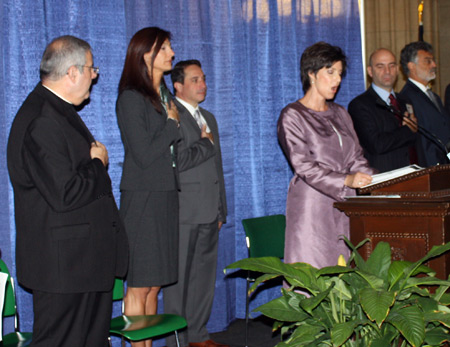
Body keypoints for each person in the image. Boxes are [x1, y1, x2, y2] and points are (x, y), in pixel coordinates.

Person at [7, 35, 128, 346]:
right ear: (73, 71)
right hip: (65, 268)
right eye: (92, 68)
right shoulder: (43, 119)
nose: (95, 75)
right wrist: (98, 164)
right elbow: (65, 193)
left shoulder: (57, 111)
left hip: (81, 263)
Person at [277, 42, 375, 271]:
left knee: (347, 275)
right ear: (311, 74)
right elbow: (304, 166)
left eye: (340, 73)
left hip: (347, 205)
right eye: (330, 72)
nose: (337, 80)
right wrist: (345, 180)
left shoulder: (341, 113)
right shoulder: (292, 115)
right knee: (315, 277)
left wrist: (385, 180)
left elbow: (356, 159)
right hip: (312, 207)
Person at [116, 27, 180, 347]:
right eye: (164, 47)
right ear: (145, 55)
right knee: (139, 286)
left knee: (155, 286)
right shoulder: (131, 98)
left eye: (170, 46)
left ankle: (147, 345)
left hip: (164, 197)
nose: (171, 52)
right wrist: (170, 124)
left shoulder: (163, 97)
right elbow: (142, 155)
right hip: (142, 200)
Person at [163, 60, 227, 347]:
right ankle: (176, 340)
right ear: (178, 85)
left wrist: (221, 208)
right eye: (195, 79)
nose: (202, 85)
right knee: (178, 283)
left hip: (208, 210)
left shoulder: (208, 118)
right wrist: (204, 144)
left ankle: (199, 336)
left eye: (203, 79)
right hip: (184, 212)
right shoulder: (170, 116)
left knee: (203, 279)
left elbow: (218, 168)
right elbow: (176, 163)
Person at [348, 48, 418, 172]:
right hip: (384, 180)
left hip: (413, 176)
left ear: (397, 69)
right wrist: (407, 130)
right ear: (370, 71)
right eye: (380, 66)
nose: (387, 71)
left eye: (392, 66)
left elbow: (416, 139)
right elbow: (376, 144)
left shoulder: (405, 100)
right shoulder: (359, 105)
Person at [399, 41, 450, 167]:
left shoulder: (434, 96)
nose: (434, 65)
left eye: (433, 60)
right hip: (431, 168)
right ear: (411, 66)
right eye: (428, 61)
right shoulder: (407, 97)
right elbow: (420, 140)